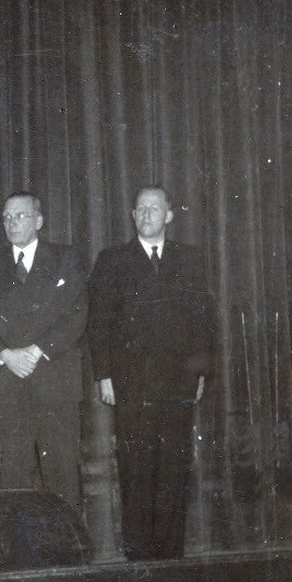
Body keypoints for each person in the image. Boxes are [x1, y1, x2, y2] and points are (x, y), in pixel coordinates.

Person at [87, 186, 214, 560]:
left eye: (154, 208)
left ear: (169, 215)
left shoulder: (190, 259)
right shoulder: (112, 260)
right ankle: (139, 556)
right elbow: (98, 322)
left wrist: (201, 373)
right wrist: (104, 375)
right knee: (136, 468)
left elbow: (204, 320)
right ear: (132, 215)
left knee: (174, 468)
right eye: (140, 209)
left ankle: (170, 554)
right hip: (132, 385)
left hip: (178, 384)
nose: (146, 215)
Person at [0, 192, 87, 514]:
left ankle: (67, 545)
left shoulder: (66, 258)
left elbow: (77, 315)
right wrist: (7, 355)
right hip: (11, 383)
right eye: (7, 217)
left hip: (56, 383)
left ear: (39, 221)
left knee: (63, 475)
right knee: (15, 475)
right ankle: (17, 547)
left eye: (20, 216)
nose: (12, 223)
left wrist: (36, 351)